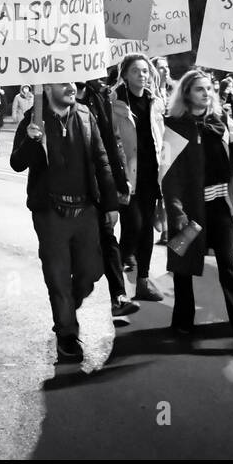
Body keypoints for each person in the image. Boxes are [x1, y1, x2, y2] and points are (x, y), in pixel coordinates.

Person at [11, 81, 120, 363]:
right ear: (47, 88)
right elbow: (17, 163)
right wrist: (31, 141)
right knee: (58, 276)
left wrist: (110, 204)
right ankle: (67, 334)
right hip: (50, 213)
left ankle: (67, 306)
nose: (72, 86)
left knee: (92, 270)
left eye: (73, 81)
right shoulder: (32, 120)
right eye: (64, 83)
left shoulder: (85, 115)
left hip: (85, 210)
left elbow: (101, 159)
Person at [159, 70, 233, 350]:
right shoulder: (174, 126)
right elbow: (169, 174)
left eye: (209, 88)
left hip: (220, 207)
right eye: (199, 89)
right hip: (189, 209)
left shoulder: (221, 121)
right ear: (186, 94)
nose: (206, 93)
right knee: (183, 266)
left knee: (228, 266)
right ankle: (182, 321)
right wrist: (177, 212)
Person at [77, 77, 138, 318]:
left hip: (100, 178)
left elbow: (109, 142)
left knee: (108, 237)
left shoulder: (99, 94)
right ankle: (74, 294)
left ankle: (119, 296)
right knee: (83, 253)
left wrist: (119, 181)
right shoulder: (56, 90)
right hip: (70, 186)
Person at [112, 53, 166, 303]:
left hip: (151, 174)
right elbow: (110, 140)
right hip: (127, 176)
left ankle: (143, 280)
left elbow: (162, 135)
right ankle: (116, 279)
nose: (142, 75)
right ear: (125, 75)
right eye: (136, 71)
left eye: (145, 71)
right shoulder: (115, 103)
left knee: (146, 228)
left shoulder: (155, 102)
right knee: (132, 224)